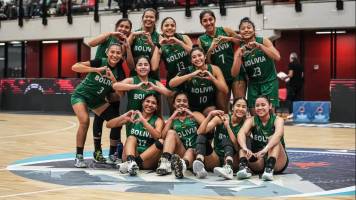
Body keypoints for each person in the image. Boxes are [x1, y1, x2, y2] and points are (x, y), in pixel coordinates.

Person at [87, 18, 133, 164]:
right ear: (116, 27)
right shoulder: (107, 38)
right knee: (99, 117)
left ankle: (113, 152)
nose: (124, 29)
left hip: (114, 74)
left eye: (127, 27)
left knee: (116, 114)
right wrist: (110, 33)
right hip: (100, 75)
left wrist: (127, 45)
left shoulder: (124, 44)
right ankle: (98, 150)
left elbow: (128, 63)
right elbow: (90, 43)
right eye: (121, 26)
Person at [70, 43, 124, 168]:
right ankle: (79, 157)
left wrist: (113, 80)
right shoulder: (100, 61)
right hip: (81, 95)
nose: (115, 55)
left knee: (117, 122)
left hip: (97, 101)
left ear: (121, 55)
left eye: (118, 53)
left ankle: (112, 155)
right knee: (85, 121)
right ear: (107, 52)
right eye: (112, 52)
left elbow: (120, 94)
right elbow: (75, 66)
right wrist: (95, 70)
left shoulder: (119, 72)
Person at [198, 9, 245, 112]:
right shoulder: (201, 39)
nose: (208, 22)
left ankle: (242, 128)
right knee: (223, 109)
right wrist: (210, 50)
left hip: (236, 72)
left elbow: (241, 41)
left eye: (210, 19)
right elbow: (207, 63)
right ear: (201, 23)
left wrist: (228, 39)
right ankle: (225, 128)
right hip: (220, 77)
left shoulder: (225, 30)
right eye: (205, 20)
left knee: (240, 105)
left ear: (214, 19)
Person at [231, 17, 281, 115]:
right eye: (243, 28)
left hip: (269, 82)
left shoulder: (263, 41)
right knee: (254, 114)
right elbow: (234, 73)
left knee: (269, 114)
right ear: (240, 33)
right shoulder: (240, 49)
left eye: (249, 27)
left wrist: (260, 46)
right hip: (254, 85)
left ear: (254, 30)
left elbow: (277, 57)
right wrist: (239, 56)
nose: (246, 30)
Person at [107, 94, 165, 176]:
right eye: (147, 101)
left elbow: (157, 136)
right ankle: (131, 162)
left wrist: (143, 121)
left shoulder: (158, 120)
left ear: (156, 107)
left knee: (161, 141)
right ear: (142, 103)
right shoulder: (133, 116)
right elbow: (109, 125)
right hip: (132, 153)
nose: (150, 104)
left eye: (153, 103)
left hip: (147, 160)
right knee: (131, 138)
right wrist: (124, 116)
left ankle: (132, 163)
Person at [193, 98, 248, 180]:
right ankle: (199, 165)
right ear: (232, 107)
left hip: (234, 158)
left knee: (226, 140)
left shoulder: (246, 123)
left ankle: (228, 168)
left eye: (243, 107)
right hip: (216, 158)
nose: (240, 109)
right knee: (201, 137)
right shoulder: (221, 118)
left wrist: (228, 127)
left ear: (247, 110)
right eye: (238, 106)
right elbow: (199, 132)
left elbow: (237, 147)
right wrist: (210, 115)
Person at [236, 95, 288, 181]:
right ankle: (243, 167)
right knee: (243, 140)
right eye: (257, 105)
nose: (260, 108)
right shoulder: (251, 120)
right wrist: (245, 148)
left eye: (263, 105)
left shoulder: (278, 120)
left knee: (273, 138)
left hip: (277, 160)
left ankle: (269, 169)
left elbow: (278, 134)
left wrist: (266, 149)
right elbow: (240, 133)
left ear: (270, 106)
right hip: (259, 159)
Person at [156, 92, 205, 178]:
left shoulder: (195, 115)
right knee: (171, 133)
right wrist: (171, 118)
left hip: (195, 152)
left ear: (188, 104)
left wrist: (192, 114)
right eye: (178, 101)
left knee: (190, 150)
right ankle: (165, 163)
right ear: (174, 105)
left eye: (184, 101)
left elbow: (207, 127)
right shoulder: (172, 119)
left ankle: (182, 166)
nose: (181, 103)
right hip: (180, 152)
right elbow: (162, 137)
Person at [169, 47, 228, 116]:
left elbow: (225, 90)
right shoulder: (188, 70)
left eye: (200, 55)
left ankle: (224, 121)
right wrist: (191, 75)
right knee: (172, 93)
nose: (197, 59)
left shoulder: (214, 69)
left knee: (218, 98)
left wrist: (212, 79)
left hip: (209, 107)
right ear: (191, 61)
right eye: (194, 57)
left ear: (205, 56)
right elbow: (171, 84)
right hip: (193, 108)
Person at [151, 17, 192, 94]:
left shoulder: (184, 38)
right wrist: (158, 46)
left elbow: (195, 54)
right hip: (173, 81)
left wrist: (180, 43)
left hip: (189, 78)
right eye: (166, 25)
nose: (170, 28)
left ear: (175, 28)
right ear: (162, 28)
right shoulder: (160, 45)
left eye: (172, 25)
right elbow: (154, 67)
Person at [128, 8, 160, 78]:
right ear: (142, 18)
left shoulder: (159, 37)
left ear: (156, 20)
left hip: (152, 77)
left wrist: (152, 45)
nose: (148, 19)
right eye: (146, 16)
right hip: (135, 76)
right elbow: (124, 51)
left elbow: (158, 58)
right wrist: (131, 36)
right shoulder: (133, 35)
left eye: (151, 17)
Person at [285, 52, 304, 119]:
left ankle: (290, 113)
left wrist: (284, 77)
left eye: (290, 58)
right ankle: (297, 113)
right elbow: (302, 75)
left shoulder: (291, 64)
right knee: (297, 99)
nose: (289, 59)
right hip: (299, 85)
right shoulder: (300, 65)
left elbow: (290, 75)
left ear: (292, 58)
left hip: (292, 85)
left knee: (289, 99)